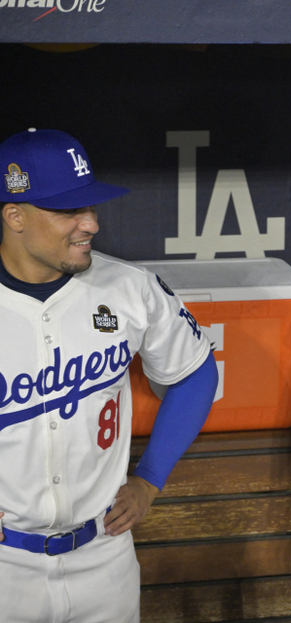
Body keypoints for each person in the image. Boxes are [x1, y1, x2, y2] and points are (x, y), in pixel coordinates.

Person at [0, 128, 218, 622]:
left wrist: (150, 479)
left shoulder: (129, 288)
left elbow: (196, 372)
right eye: (68, 211)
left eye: (92, 207)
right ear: (15, 215)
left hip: (104, 555)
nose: (91, 224)